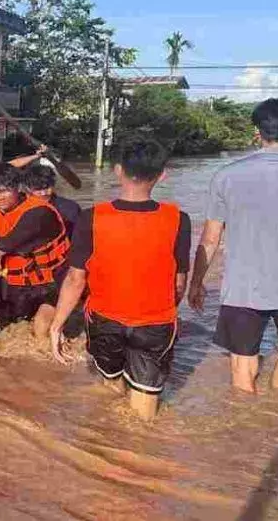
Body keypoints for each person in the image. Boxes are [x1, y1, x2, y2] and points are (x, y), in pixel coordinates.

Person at [189, 97, 278, 394]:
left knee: (242, 360)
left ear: (258, 132)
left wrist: (196, 282)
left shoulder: (226, 176)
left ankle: (245, 428)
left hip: (244, 284)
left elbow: (210, 238)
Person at [49, 138, 191, 420]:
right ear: (162, 174)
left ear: (117, 170)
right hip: (155, 322)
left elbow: (76, 279)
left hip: (105, 320)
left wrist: (57, 326)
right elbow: (179, 281)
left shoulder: (92, 218)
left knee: (110, 387)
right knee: (143, 412)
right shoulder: (179, 219)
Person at [0, 163, 70, 338]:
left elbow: (2, 247)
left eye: (5, 190)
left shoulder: (38, 212)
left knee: (41, 329)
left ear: (18, 187)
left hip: (53, 280)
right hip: (19, 280)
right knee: (12, 328)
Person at [25, 164, 82, 237]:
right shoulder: (20, 208)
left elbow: (79, 235)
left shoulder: (70, 207)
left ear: (53, 184)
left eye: (47, 187)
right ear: (28, 188)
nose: (43, 193)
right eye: (38, 189)